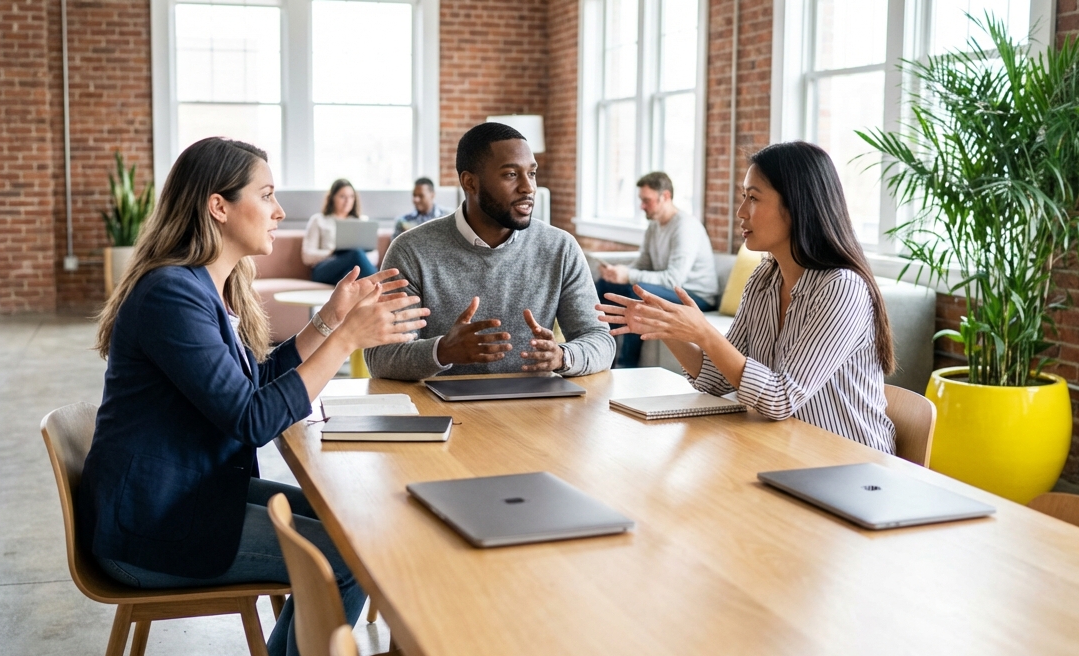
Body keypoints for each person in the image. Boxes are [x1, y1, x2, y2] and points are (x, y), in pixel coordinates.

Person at [81, 137, 428, 656]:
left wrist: (327, 321)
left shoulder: (201, 287)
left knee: (350, 529)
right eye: (266, 196)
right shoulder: (172, 295)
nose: (277, 212)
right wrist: (345, 336)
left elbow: (251, 385)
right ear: (218, 206)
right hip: (150, 530)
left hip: (186, 494)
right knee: (349, 557)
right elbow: (249, 420)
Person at [597, 141, 896, 453]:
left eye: (753, 198)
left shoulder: (841, 288)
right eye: (743, 197)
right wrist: (666, 327)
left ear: (796, 206)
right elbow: (717, 380)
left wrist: (704, 332)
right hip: (787, 451)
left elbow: (779, 400)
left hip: (852, 463)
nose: (741, 212)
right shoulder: (764, 279)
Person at [365, 122, 615, 380]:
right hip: (444, 414)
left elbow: (601, 341)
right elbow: (381, 357)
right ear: (470, 182)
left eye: (531, 173)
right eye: (510, 174)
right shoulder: (411, 251)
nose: (528, 187)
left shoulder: (560, 248)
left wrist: (563, 357)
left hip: (536, 409)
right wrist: (442, 351)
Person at [595, 171, 720, 367]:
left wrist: (628, 276)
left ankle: (627, 365)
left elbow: (674, 280)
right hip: (670, 290)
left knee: (636, 293)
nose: (642, 206)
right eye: (641, 200)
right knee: (605, 285)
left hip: (696, 297)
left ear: (666, 196)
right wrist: (617, 274)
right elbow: (643, 264)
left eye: (647, 200)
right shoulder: (653, 226)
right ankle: (601, 355)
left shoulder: (685, 226)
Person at [302, 178, 378, 284]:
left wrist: (359, 256)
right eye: (342, 196)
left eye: (351, 197)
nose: (347, 201)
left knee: (352, 269)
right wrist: (332, 253)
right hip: (326, 268)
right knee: (355, 253)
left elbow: (374, 256)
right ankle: (380, 284)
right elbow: (307, 257)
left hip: (351, 270)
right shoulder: (319, 220)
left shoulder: (362, 221)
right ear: (332, 198)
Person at [391, 176, 447, 240]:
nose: (416, 199)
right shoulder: (403, 221)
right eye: (414, 195)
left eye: (421, 196)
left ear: (432, 195)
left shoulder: (447, 217)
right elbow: (395, 247)